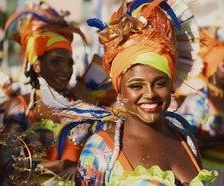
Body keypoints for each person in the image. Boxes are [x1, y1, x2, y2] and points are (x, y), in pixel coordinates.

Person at [47, 0, 219, 185]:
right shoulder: (101, 149)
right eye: (136, 86)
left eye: (160, 83)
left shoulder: (186, 140)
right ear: (120, 90)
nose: (149, 93)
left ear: (171, 85)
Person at [0, 2, 89, 185]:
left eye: (69, 63)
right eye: (56, 62)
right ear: (37, 66)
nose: (65, 70)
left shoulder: (81, 104)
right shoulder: (20, 107)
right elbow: (11, 164)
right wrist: (57, 166)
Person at [178, 27, 224, 185]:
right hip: (209, 175)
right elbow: (185, 142)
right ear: (212, 72)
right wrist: (219, 140)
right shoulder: (197, 101)